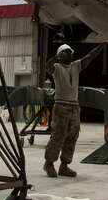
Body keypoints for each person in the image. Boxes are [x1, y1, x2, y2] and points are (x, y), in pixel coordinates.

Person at [43, 41, 104, 178]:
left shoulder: (76, 66)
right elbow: (47, 67)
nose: (70, 55)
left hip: (74, 106)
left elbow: (89, 56)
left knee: (72, 136)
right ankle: (49, 163)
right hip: (61, 106)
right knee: (59, 135)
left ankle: (64, 166)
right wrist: (56, 56)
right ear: (61, 55)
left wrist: (101, 45)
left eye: (70, 52)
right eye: (66, 53)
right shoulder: (57, 67)